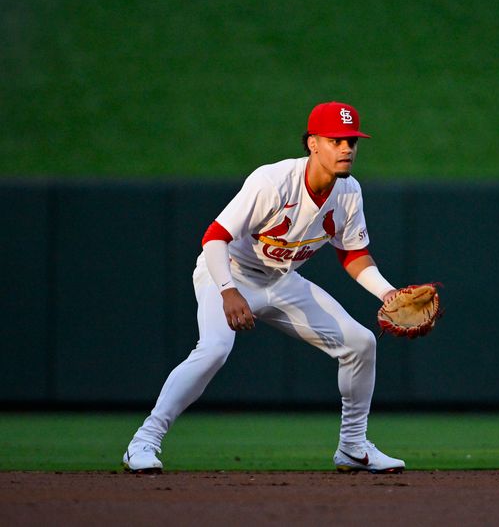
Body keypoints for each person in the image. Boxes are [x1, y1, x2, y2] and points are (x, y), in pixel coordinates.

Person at [122, 101, 405, 474]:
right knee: (214, 350)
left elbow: (353, 255)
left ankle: (353, 447)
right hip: (228, 271)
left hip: (281, 280)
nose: (347, 149)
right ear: (312, 143)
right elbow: (214, 238)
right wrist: (227, 290)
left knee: (361, 343)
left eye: (352, 141)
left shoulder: (349, 192)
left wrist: (387, 293)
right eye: (336, 140)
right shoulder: (273, 181)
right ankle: (143, 442)